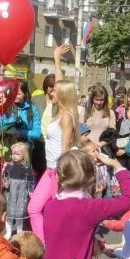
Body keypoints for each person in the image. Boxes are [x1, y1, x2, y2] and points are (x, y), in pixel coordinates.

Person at [27, 71, 81, 239]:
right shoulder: (58, 111)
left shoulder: (66, 117)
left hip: (57, 172)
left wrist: (60, 176)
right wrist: (57, 58)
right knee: (33, 208)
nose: (52, 92)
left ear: (63, 94)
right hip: (49, 171)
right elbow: (60, 81)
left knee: (55, 214)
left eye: (55, 90)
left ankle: (54, 246)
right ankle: (43, 246)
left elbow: (65, 149)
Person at [3, 141, 34, 237]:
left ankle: (19, 231)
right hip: (11, 192)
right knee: (9, 212)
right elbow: (5, 176)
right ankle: (8, 232)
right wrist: (5, 182)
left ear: (24, 155)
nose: (15, 156)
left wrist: (31, 190)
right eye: (13, 153)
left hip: (21, 192)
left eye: (18, 154)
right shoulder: (9, 165)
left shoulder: (27, 167)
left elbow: (30, 179)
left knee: (19, 213)